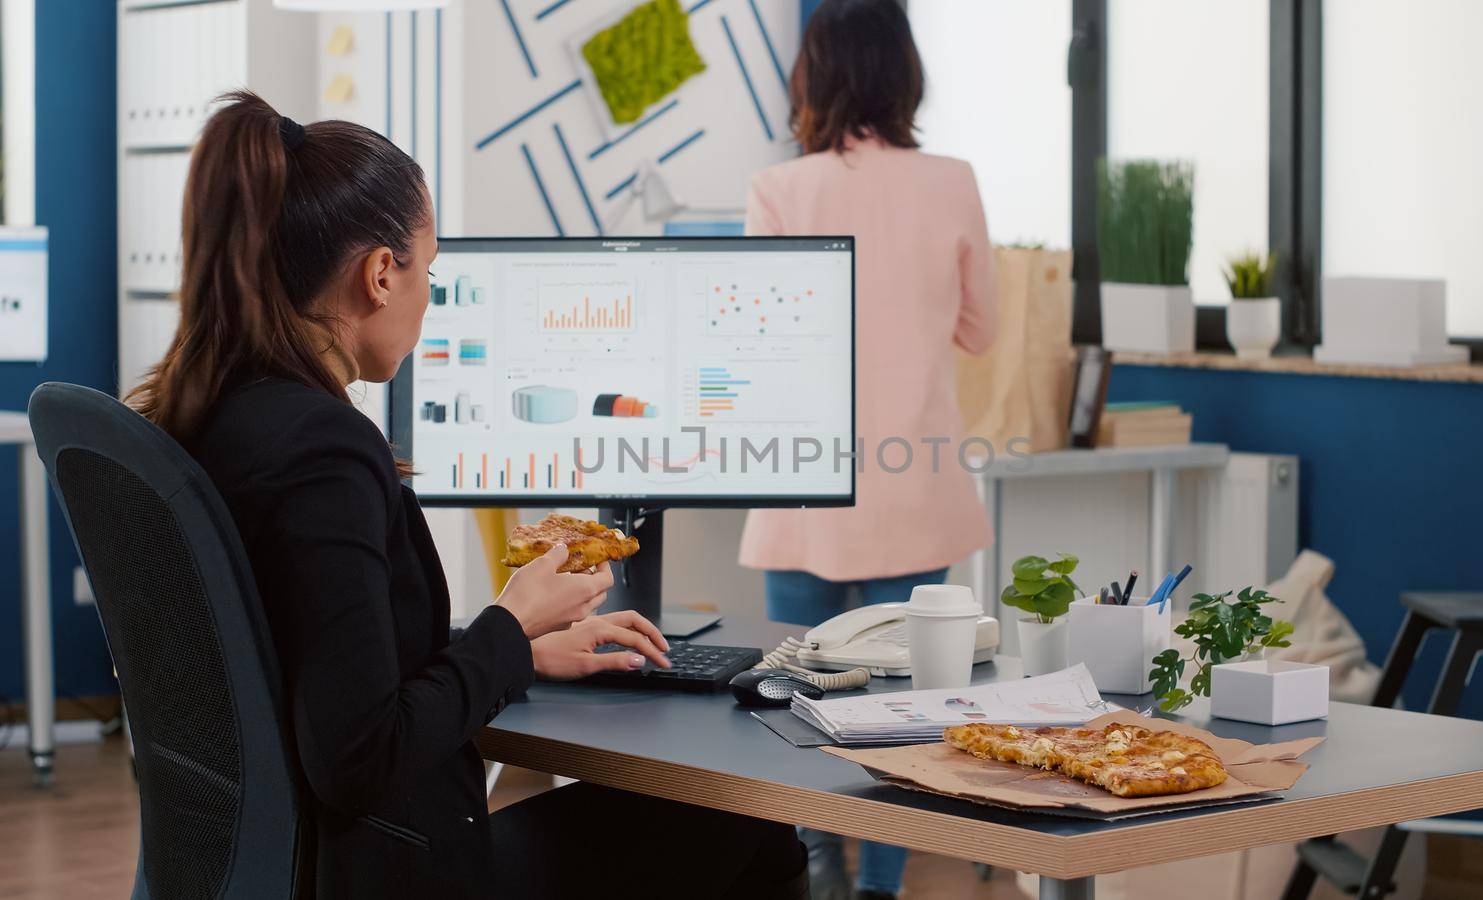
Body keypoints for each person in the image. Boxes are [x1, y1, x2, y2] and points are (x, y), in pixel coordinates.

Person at [126, 91, 808, 900]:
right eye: (431, 272)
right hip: (399, 873)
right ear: (381, 273)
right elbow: (360, 758)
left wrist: (517, 654)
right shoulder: (324, 452)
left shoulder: (207, 409)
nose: (429, 300)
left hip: (284, 868)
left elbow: (319, 661)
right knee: (750, 822)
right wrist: (513, 621)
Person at [737, 1, 1000, 897]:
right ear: (906, 74)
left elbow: (754, 345)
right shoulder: (954, 180)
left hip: (804, 492)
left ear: (809, 78)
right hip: (918, 494)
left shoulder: (781, 190)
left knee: (790, 697)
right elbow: (980, 328)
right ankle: (884, 880)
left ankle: (811, 862)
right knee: (910, 709)